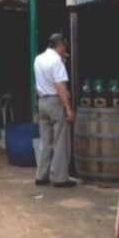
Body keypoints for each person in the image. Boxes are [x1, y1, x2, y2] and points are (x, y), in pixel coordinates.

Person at [34, 33, 77, 188]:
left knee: (45, 141)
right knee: (60, 141)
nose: (65, 49)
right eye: (64, 46)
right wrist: (68, 108)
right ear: (59, 45)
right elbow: (60, 85)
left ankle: (41, 175)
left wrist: (63, 59)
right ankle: (59, 178)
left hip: (42, 102)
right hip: (55, 102)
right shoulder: (56, 60)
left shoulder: (38, 58)